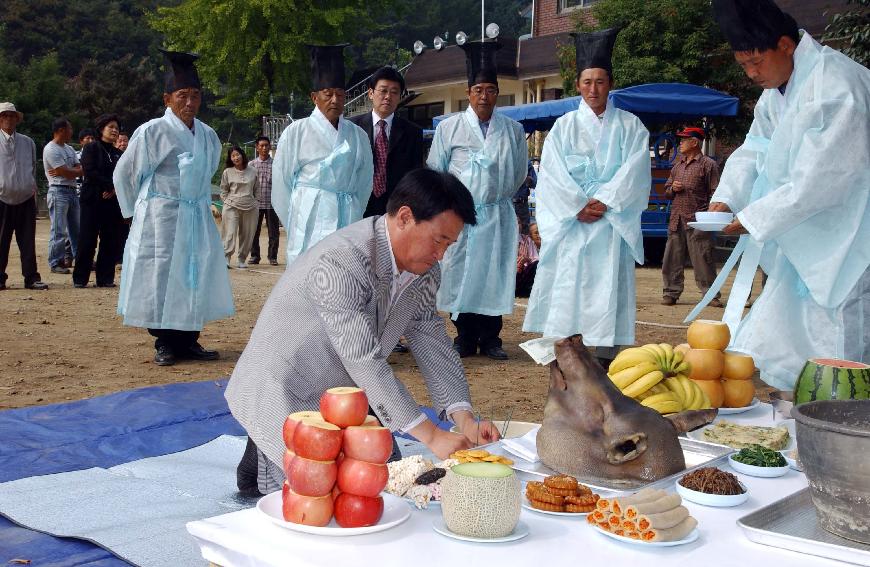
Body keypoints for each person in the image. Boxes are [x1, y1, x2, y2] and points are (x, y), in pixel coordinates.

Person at [225, 168, 502, 496]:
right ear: (404, 217)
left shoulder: (425, 271)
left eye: (450, 244)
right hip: (286, 384)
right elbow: (363, 358)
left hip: (345, 390)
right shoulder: (341, 261)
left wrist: (464, 417)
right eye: (439, 239)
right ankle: (259, 456)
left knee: (383, 476)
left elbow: (430, 337)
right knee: (314, 491)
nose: (441, 254)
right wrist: (429, 435)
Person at [685, 0, 870, 390]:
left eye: (756, 63)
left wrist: (753, 219)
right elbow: (755, 148)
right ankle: (805, 406)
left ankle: (844, 419)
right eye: (743, 66)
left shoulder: (836, 85)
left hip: (848, 232)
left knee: (844, 333)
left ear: (786, 45)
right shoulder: (776, 92)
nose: (751, 74)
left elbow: (824, 179)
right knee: (794, 332)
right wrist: (728, 198)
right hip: (801, 230)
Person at [523, 28, 651, 368]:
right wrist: (578, 206)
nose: (593, 89)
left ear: (610, 83)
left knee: (610, 286)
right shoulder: (563, 128)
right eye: (587, 82)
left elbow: (636, 170)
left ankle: (609, 354)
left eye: (600, 81)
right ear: (578, 85)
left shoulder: (631, 126)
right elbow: (550, 175)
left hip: (610, 222)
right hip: (574, 224)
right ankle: (568, 351)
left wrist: (606, 200)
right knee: (571, 286)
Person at [113, 49, 234, 366]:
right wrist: (134, 213)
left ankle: (189, 339)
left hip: (194, 213)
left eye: (195, 95)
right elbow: (126, 174)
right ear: (168, 98)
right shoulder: (152, 131)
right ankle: (165, 341)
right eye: (182, 96)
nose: (190, 103)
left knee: (194, 274)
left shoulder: (208, 134)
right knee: (162, 274)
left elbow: (206, 173)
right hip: (162, 216)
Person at [427, 40, 527, 360]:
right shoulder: (449, 128)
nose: (485, 96)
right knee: (461, 274)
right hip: (461, 215)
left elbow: (518, 172)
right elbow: (436, 170)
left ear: (498, 93)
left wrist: (498, 198)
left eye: (491, 90)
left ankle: (492, 339)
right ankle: (464, 337)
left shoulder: (512, 130)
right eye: (479, 89)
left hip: (496, 212)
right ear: (468, 92)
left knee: (493, 275)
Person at [272, 44, 373, 266]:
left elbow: (365, 184)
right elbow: (281, 184)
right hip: (308, 219)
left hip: (347, 217)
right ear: (314, 97)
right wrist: (297, 220)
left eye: (340, 94)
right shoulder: (296, 132)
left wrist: (354, 211)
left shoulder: (358, 136)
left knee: (343, 279)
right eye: (328, 94)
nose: (335, 100)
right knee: (307, 278)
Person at [349, 66, 425, 218]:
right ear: (371, 93)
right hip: (358, 205)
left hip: (396, 208)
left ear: (400, 96)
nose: (388, 97)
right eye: (383, 91)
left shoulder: (412, 132)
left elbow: (415, 174)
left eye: (394, 92)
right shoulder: (352, 128)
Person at [661, 126, 723, 308]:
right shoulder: (677, 166)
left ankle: (710, 295)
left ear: (695, 142)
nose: (680, 143)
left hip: (698, 220)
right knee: (671, 259)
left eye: (684, 139)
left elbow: (715, 192)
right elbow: (666, 191)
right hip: (676, 219)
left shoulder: (708, 165)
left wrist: (711, 216)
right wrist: (672, 188)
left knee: (704, 259)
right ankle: (670, 293)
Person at [0, 102, 48, 291]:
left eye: (12, 116)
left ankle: (31, 278)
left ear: (17, 119)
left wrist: (32, 190)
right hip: (2, 197)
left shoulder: (28, 142)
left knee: (27, 241)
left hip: (26, 197)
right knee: (1, 240)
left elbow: (33, 169)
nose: (8, 119)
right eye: (4, 116)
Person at [73, 113, 124, 288]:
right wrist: (109, 186)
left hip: (112, 202)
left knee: (110, 240)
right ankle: (80, 278)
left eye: (117, 128)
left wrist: (114, 189)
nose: (114, 130)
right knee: (87, 239)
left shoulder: (118, 153)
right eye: (111, 127)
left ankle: (105, 278)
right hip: (92, 200)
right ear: (101, 129)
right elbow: (90, 171)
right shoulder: (91, 148)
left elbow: (123, 176)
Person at [42, 117, 82, 275]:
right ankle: (56, 261)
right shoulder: (51, 149)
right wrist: (69, 171)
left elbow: (78, 169)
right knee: (59, 229)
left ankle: (80, 258)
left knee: (76, 229)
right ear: (61, 130)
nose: (71, 131)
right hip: (58, 190)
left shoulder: (69, 149)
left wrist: (68, 171)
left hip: (71, 191)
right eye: (69, 128)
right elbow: (66, 171)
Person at [220, 145, 259, 269]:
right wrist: (227, 201)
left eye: (237, 154)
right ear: (230, 159)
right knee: (230, 233)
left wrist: (256, 201)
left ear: (242, 155)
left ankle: (242, 259)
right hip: (231, 205)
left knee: (247, 234)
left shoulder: (253, 171)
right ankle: (226, 257)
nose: (236, 157)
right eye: (233, 156)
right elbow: (223, 190)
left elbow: (257, 188)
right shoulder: (227, 172)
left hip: (250, 207)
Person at [249, 136, 279, 266]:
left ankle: (272, 257)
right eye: (261, 145)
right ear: (257, 147)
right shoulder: (251, 165)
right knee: (254, 232)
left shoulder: (276, 164)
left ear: (270, 147)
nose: (264, 148)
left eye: (266, 145)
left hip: (272, 203)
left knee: (274, 232)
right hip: (256, 203)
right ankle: (255, 256)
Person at [516, 217, 539, 298]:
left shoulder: (527, 239)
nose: (517, 225)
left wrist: (526, 260)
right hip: (512, 274)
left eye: (519, 223)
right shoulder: (504, 241)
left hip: (525, 273)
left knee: (537, 265)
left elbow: (535, 259)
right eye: (514, 222)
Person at [512, 159, 537, 232]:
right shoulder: (504, 160)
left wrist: (529, 180)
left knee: (524, 232)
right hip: (507, 205)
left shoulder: (527, 163)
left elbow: (534, 183)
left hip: (522, 205)